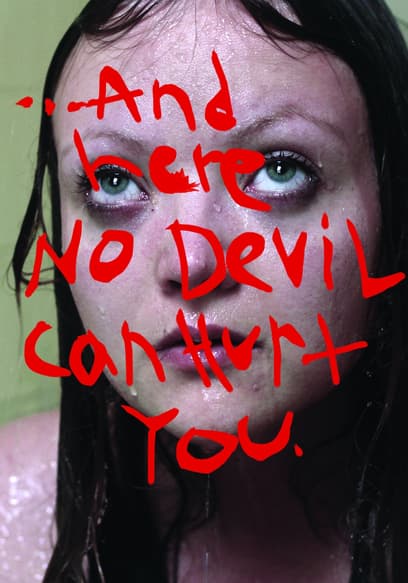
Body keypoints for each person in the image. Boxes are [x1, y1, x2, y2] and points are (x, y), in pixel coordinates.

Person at [8, 0, 408, 581]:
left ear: (392, 207)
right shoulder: (10, 520)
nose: (191, 262)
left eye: (278, 169)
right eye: (113, 181)